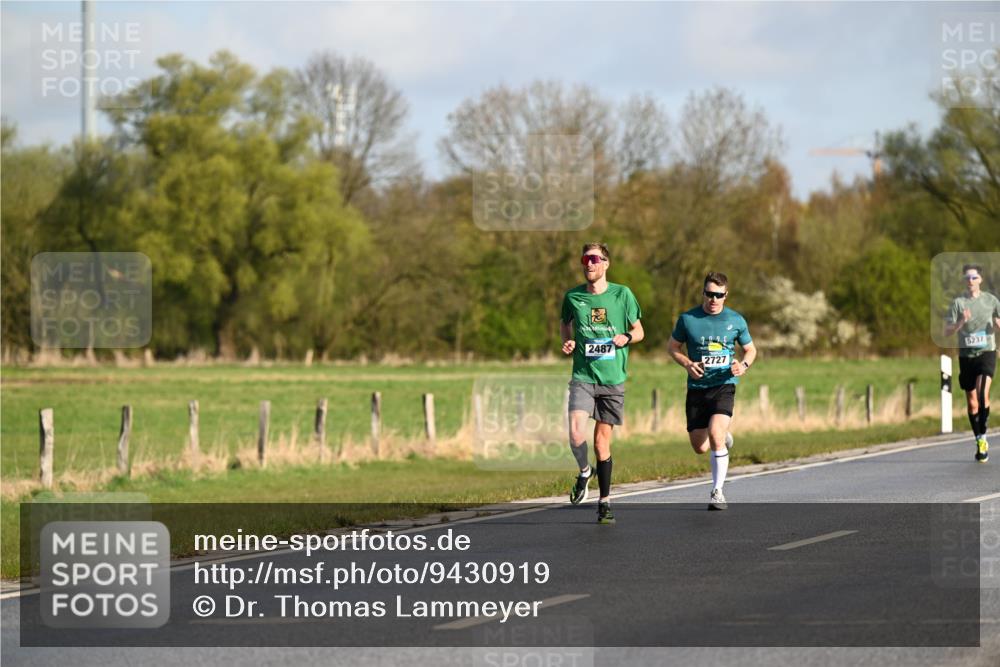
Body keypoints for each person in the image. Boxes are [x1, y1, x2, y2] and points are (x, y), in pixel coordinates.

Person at [561, 243, 644, 524]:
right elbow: (565, 323)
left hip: (612, 380)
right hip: (583, 376)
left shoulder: (623, 295)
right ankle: (585, 472)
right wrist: (568, 340)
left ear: (606, 263)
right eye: (585, 259)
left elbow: (640, 331)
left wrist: (627, 338)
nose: (589, 264)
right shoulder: (573, 296)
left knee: (601, 443)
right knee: (575, 434)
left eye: (595, 259)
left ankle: (605, 502)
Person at [668, 272, 756, 510]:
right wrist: (688, 363)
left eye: (718, 295)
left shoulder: (736, 320)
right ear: (703, 293)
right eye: (709, 294)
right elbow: (673, 347)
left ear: (726, 295)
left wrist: (743, 365)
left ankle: (717, 492)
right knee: (700, 446)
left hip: (724, 385)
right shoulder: (688, 319)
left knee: (715, 432)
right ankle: (723, 439)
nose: (713, 299)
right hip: (697, 388)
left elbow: (750, 350)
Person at [943, 264, 1000, 462]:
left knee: (983, 393)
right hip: (967, 356)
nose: (970, 281)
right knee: (973, 403)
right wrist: (960, 323)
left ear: (980, 280)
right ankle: (979, 439)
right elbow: (947, 331)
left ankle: (984, 435)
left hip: (987, 352)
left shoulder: (991, 301)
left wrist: (998, 325)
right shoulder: (958, 303)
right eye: (967, 278)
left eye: (974, 277)